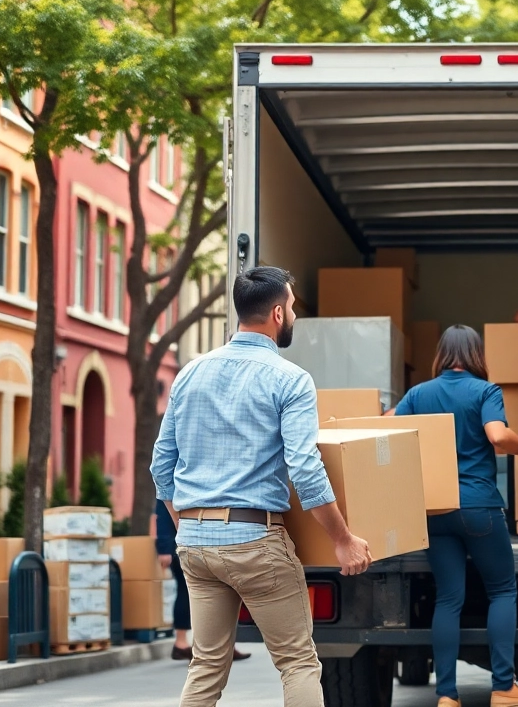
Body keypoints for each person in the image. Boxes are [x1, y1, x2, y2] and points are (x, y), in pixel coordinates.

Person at [151, 266, 372, 707]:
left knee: (206, 665)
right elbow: (304, 468)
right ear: (277, 313)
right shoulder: (290, 379)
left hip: (195, 543)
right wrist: (342, 539)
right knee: (297, 662)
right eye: (292, 307)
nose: (294, 315)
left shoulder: (190, 373)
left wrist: (186, 524)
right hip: (254, 541)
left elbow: (161, 466)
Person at [386, 325, 518, 707]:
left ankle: (446, 696)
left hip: (435, 509)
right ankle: (504, 688)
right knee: (502, 590)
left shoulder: (418, 393)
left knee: (448, 598)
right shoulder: (485, 391)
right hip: (479, 508)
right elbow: (498, 436)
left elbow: (387, 426)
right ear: (477, 354)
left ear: (442, 354)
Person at [154, 498, 251, 663]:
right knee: (189, 593)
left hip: (200, 540)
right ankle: (186, 643)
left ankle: (217, 643)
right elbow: (163, 512)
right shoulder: (174, 484)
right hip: (184, 543)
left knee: (217, 593)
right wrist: (164, 549)